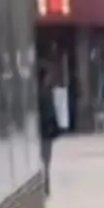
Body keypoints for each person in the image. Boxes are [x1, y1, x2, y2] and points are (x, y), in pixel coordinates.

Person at [37, 65, 61, 194]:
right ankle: (45, 186)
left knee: (43, 159)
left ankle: (45, 185)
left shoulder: (36, 92)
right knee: (46, 159)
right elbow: (51, 112)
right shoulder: (46, 93)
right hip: (46, 130)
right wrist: (55, 127)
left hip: (39, 130)